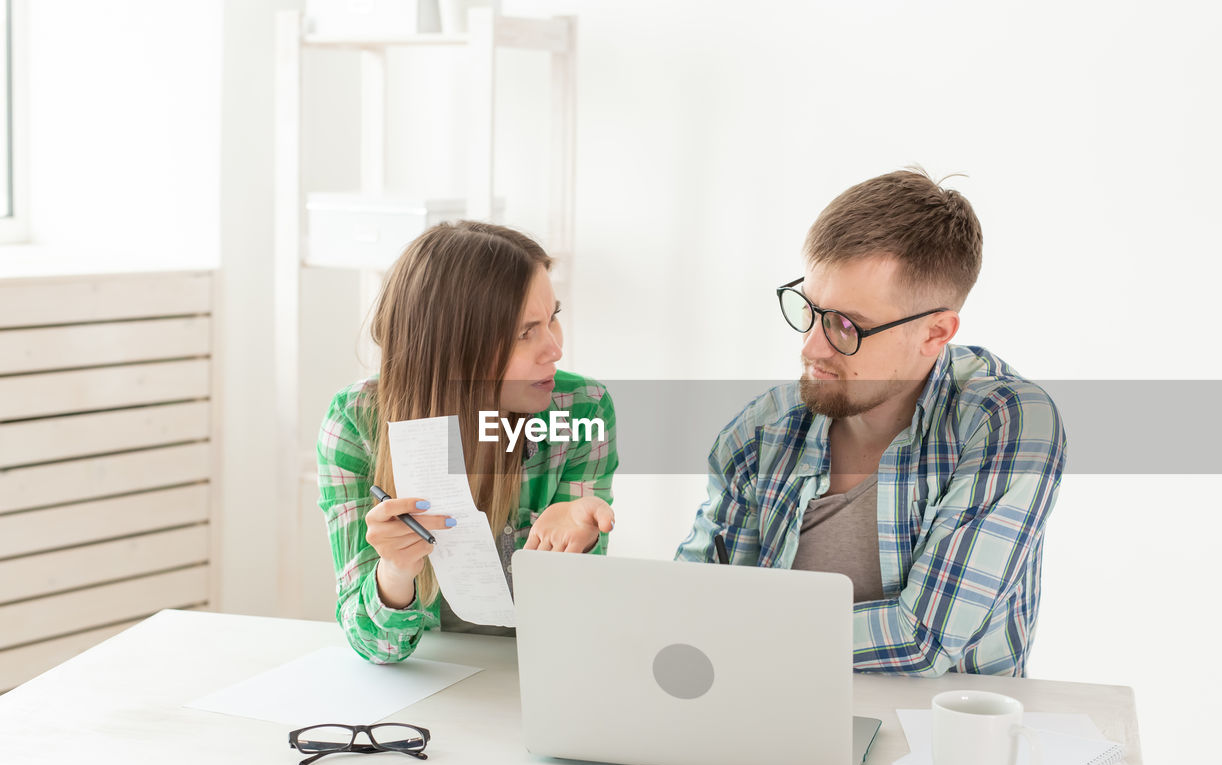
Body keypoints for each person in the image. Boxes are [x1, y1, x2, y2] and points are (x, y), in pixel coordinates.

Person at [676, 169, 1066, 677]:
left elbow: (923, 641)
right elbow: (691, 604)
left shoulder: (1006, 423)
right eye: (810, 310)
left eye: (846, 325)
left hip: (937, 745)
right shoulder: (761, 429)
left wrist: (743, 638)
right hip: (767, 721)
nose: (811, 347)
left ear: (935, 332)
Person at [317, 221, 618, 663]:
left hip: (536, 671)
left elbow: (577, 623)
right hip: (427, 679)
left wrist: (577, 547)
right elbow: (375, 649)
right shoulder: (356, 421)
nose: (554, 348)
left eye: (552, 317)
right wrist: (396, 570)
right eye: (524, 332)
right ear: (452, 348)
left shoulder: (582, 409)